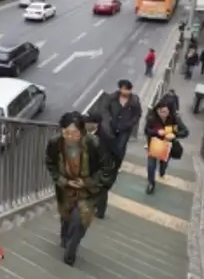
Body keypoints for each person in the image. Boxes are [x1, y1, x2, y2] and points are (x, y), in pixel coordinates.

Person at [45, 112, 115, 266]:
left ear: (82, 132)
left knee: (80, 221)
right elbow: (50, 164)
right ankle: (65, 236)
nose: (70, 137)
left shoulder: (93, 143)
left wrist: (87, 182)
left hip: (88, 192)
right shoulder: (55, 143)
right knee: (66, 217)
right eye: (67, 133)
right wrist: (64, 181)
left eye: (75, 133)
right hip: (65, 190)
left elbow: (107, 169)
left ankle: (71, 250)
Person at [144, 100, 189, 195]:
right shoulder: (151, 118)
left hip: (168, 146)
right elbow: (147, 130)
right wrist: (156, 132)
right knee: (151, 165)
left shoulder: (174, 119)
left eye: (166, 112)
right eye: (162, 112)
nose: (164, 114)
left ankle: (162, 172)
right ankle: (151, 183)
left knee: (164, 163)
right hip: (154, 145)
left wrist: (174, 135)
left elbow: (185, 132)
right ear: (157, 110)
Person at [82, 113, 119, 219]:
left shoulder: (106, 138)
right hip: (91, 165)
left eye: (86, 123)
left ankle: (100, 211)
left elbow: (116, 153)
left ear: (95, 124)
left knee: (101, 189)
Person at [104, 79, 143, 166]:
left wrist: (130, 124)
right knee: (110, 145)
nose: (125, 91)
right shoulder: (112, 98)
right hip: (112, 126)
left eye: (127, 89)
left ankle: (117, 164)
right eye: (123, 88)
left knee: (120, 146)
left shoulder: (134, 101)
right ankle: (109, 161)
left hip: (125, 128)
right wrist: (109, 119)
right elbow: (105, 109)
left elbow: (137, 114)